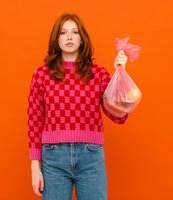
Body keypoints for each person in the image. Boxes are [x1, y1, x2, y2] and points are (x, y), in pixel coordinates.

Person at [27, 13, 129, 200]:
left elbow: (119, 116)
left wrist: (119, 73)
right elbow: (34, 121)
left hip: (90, 157)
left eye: (75, 32)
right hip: (53, 158)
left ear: (82, 39)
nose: (69, 37)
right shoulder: (41, 75)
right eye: (63, 32)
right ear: (56, 39)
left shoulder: (98, 74)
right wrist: (35, 167)